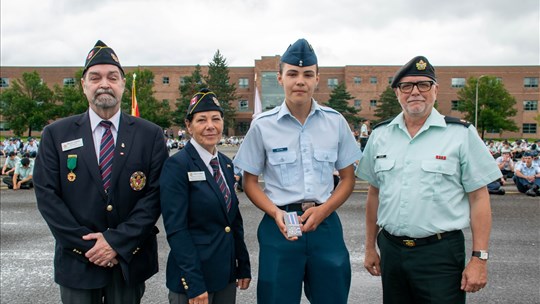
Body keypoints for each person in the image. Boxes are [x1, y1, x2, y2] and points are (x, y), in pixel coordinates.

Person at [356, 56, 502, 304]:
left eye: (423, 84)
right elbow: (375, 194)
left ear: (435, 89)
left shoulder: (461, 134)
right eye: (407, 86)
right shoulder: (380, 135)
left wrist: (479, 258)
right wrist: (370, 247)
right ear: (397, 93)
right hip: (392, 250)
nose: (415, 92)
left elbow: (479, 197)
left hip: (439, 253)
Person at [33, 40, 169, 304]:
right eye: (95, 77)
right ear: (84, 85)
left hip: (127, 259)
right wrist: (90, 247)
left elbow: (154, 196)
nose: (104, 83)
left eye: (112, 77)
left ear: (123, 84)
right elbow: (47, 197)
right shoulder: (56, 134)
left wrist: (116, 243)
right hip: (77, 262)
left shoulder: (149, 134)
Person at [233, 38, 362, 304]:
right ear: (280, 78)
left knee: (332, 297)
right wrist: (275, 212)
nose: (299, 81)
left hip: (324, 224)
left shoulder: (335, 122)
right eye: (292, 73)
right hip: (279, 226)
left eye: (307, 74)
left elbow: (348, 179)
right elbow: (250, 182)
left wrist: (324, 210)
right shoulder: (262, 126)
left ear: (317, 78)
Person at [160, 89, 251, 304]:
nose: (210, 126)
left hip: (225, 275)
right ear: (189, 126)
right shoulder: (177, 165)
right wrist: (194, 282)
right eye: (201, 120)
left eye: (216, 119)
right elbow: (176, 229)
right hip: (195, 279)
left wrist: (242, 264)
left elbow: (233, 220)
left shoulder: (226, 164)